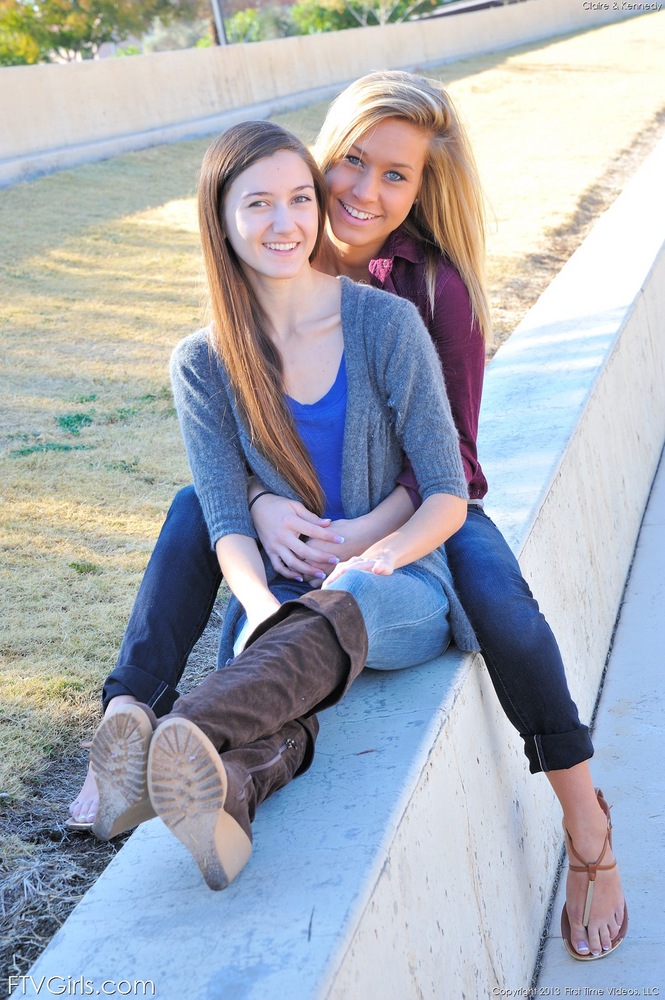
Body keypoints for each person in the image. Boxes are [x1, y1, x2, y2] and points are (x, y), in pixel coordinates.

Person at [70, 71, 627, 960]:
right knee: (197, 510)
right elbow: (233, 462)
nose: (363, 191)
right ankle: (131, 723)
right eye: (352, 163)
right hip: (306, 527)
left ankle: (585, 824)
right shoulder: (269, 268)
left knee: (508, 618)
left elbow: (450, 470)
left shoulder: (425, 292)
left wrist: (362, 542)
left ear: (422, 189)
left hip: (421, 508)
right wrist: (260, 507)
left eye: (395, 175)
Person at [87, 118, 472, 892]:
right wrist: (261, 605)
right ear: (220, 219)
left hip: (397, 588)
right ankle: (228, 803)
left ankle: (177, 729)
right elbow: (223, 518)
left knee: (336, 607)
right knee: (276, 670)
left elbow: (446, 491)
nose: (284, 222)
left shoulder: (386, 325)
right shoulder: (202, 361)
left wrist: (378, 555)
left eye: (299, 198)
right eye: (258, 203)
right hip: (285, 594)